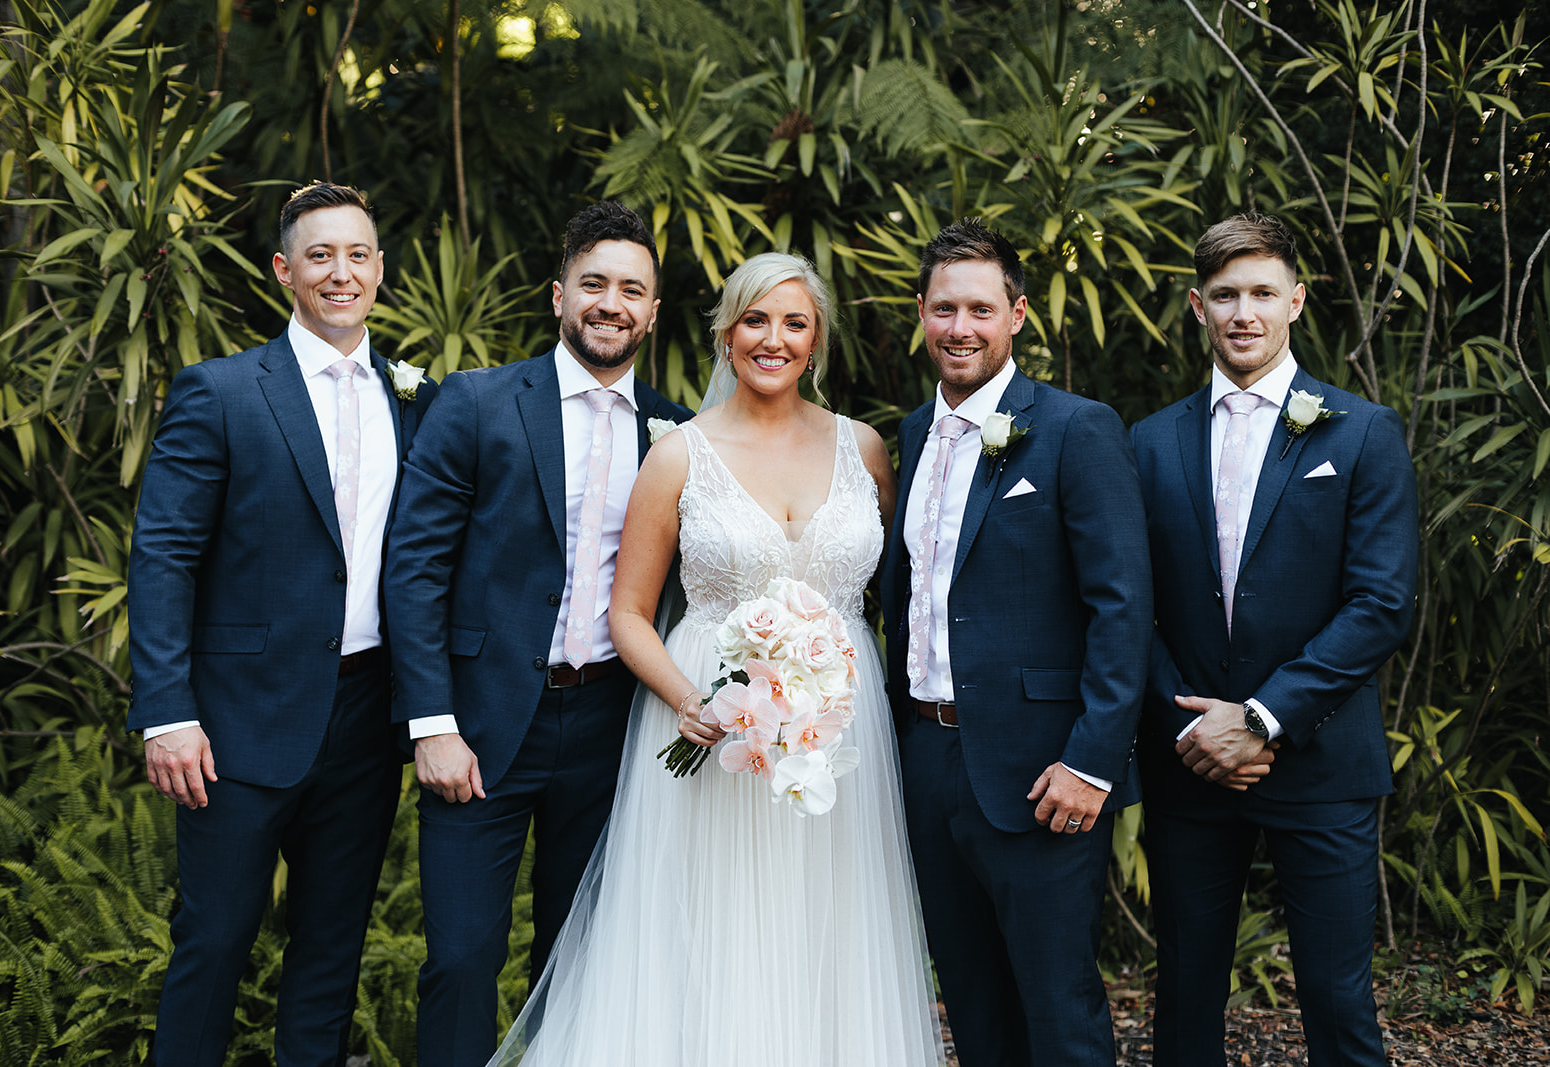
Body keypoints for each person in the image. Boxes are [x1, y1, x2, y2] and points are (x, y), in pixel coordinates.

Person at [478, 251, 945, 1066]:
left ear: (817, 339)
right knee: (714, 924)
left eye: (794, 322)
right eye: (755, 320)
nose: (774, 339)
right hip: (710, 721)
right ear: (726, 335)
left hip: (839, 730)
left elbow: (896, 596)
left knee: (828, 924)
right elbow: (628, 612)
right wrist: (690, 699)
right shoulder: (678, 455)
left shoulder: (866, 450)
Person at [127, 181, 436, 1067]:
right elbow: (164, 557)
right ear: (284, 271)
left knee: (331, 952)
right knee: (215, 940)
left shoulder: (417, 398)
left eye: (357, 255)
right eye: (320, 256)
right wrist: (167, 709)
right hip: (234, 722)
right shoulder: (220, 392)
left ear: (379, 269)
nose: (341, 274)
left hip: (367, 718)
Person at [383, 201, 691, 1064]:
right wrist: (432, 724)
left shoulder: (674, 431)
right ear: (559, 295)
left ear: (654, 312)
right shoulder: (477, 404)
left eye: (632, 289)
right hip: (478, 726)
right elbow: (414, 570)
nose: (611, 302)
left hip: (610, 726)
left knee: (582, 956)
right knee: (460, 956)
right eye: (594, 283)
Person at [1130, 212, 1417, 1067]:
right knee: (1185, 991)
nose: (1243, 312)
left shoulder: (1361, 432)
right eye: (1224, 295)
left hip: (1322, 759)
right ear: (1197, 306)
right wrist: (1189, 723)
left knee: (1335, 996)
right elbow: (1125, 606)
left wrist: (1259, 717)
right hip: (1189, 761)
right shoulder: (1148, 442)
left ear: (1296, 300)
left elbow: (1382, 603)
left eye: (1261, 292)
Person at [881, 218, 1153, 1067]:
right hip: (926, 760)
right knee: (971, 998)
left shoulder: (1077, 427)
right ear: (920, 314)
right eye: (944, 308)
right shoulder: (911, 436)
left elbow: (1123, 605)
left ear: (1018, 315)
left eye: (980, 309)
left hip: (1044, 770)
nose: (961, 327)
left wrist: (1093, 760)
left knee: (1058, 1004)